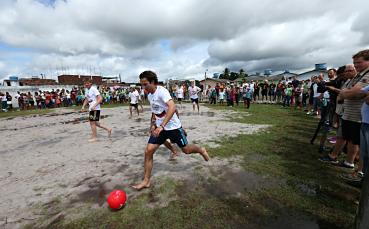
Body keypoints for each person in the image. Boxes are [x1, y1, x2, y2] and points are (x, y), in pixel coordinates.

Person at [132, 71, 209, 190]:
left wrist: (165, 126)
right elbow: (155, 112)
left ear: (153, 82)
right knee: (148, 151)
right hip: (160, 128)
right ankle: (146, 181)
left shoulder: (162, 91)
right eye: (142, 84)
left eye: (145, 84)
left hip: (173, 128)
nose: (143, 87)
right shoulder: (150, 95)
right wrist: (153, 125)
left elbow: (173, 107)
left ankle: (201, 150)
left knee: (186, 150)